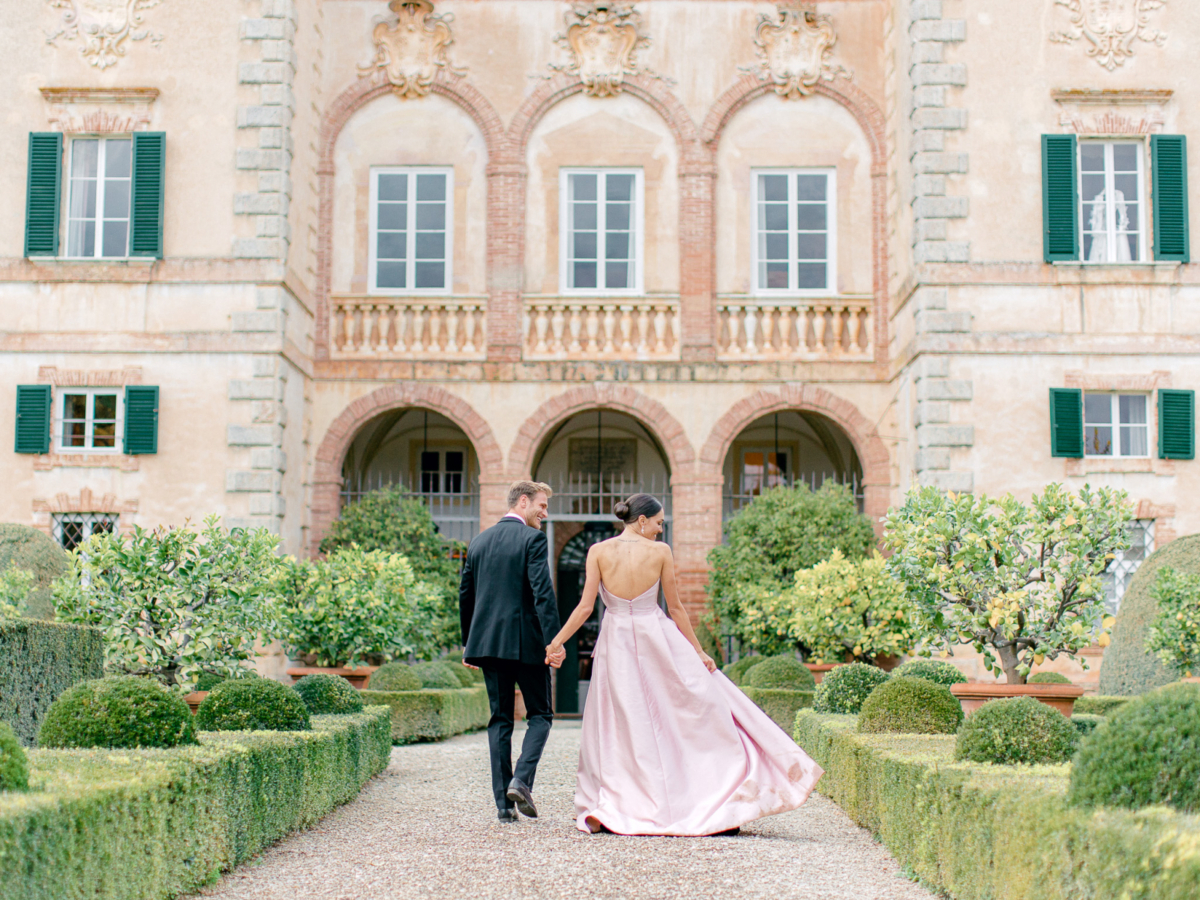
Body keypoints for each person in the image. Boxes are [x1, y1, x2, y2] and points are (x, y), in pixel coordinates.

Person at [548, 493, 824, 836]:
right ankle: (706, 796)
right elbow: (676, 607)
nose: (661, 531)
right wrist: (698, 651)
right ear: (642, 519)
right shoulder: (660, 553)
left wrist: (557, 641)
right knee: (679, 712)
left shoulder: (599, 552)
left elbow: (585, 608)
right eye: (659, 522)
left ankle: (626, 803)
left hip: (616, 640)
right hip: (656, 638)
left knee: (623, 724)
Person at [459, 480, 566, 823]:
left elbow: (465, 595)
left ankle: (503, 807)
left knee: (500, 720)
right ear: (523, 501)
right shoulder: (532, 539)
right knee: (541, 715)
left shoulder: (478, 541)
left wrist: (468, 644)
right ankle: (521, 779)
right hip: (526, 644)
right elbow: (543, 594)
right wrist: (554, 641)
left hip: (487, 645)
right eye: (542, 506)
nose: (544, 514)